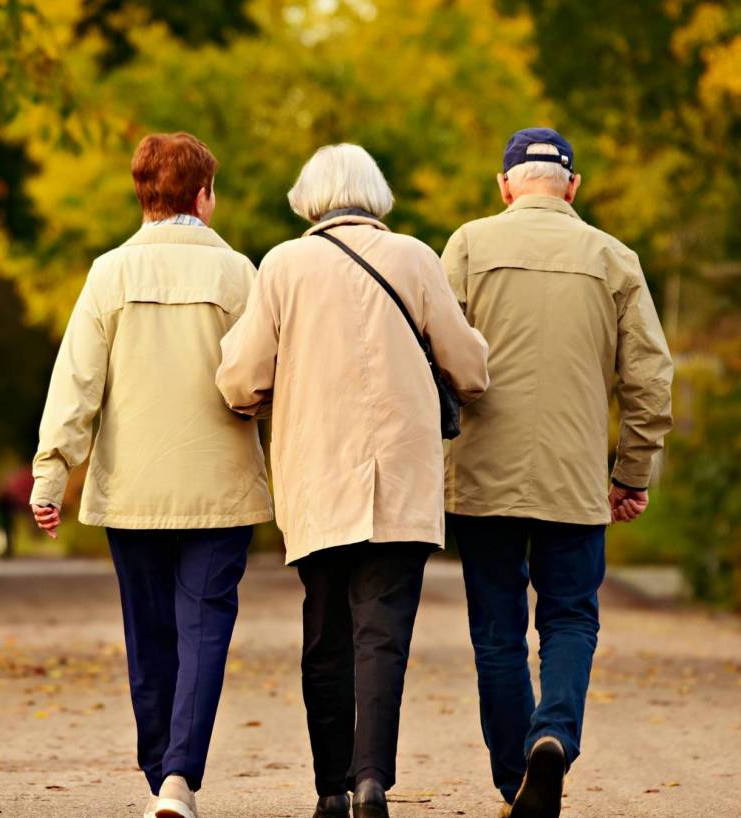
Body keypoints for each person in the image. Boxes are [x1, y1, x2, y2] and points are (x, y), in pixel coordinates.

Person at [216, 144, 489, 818]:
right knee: (382, 633)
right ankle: (373, 779)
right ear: (376, 194)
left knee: (325, 632)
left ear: (308, 198)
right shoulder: (417, 258)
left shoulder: (282, 265)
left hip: (318, 477)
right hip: (399, 477)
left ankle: (331, 789)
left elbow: (243, 376)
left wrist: (259, 397)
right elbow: (471, 369)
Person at [29, 132, 273, 818]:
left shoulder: (109, 273)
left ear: (143, 194)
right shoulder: (239, 275)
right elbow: (262, 380)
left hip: (131, 490)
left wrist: (52, 475)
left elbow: (76, 383)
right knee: (204, 631)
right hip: (219, 489)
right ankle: (177, 780)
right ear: (203, 195)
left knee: (148, 634)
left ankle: (156, 771)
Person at [441, 128, 674, 818]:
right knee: (570, 619)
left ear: (505, 184)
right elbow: (650, 377)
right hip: (575, 482)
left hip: (483, 477)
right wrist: (631, 470)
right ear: (573, 186)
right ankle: (554, 736)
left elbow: (436, 358)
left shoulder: (467, 247)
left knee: (497, 631)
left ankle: (517, 775)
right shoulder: (612, 257)